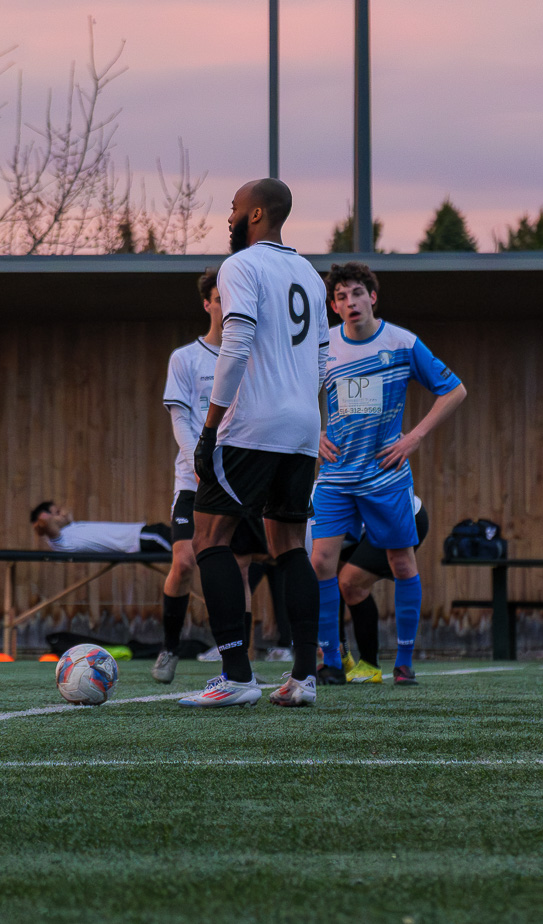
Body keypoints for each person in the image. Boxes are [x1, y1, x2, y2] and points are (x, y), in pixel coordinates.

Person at [180, 178, 327, 709]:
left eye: (235, 207)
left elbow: (237, 342)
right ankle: (304, 679)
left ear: (257, 213)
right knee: (289, 546)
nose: (229, 216)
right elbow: (322, 360)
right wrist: (304, 416)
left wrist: (212, 426)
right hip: (302, 427)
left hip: (253, 425)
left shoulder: (239, 266)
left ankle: (237, 675)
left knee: (210, 537)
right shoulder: (309, 273)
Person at [308, 262, 465, 687]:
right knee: (321, 560)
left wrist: (413, 438)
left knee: (401, 561)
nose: (350, 302)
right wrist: (314, 432)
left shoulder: (402, 343)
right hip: (337, 477)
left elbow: (455, 390)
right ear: (334, 306)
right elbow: (299, 394)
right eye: (340, 297)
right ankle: (329, 662)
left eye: (357, 293)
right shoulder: (323, 347)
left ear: (372, 297)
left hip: (385, 476)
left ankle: (405, 662)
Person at [156, 267, 280, 683]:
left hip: (240, 482)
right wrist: (199, 459)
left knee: (240, 568)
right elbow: (179, 417)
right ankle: (170, 647)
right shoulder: (185, 358)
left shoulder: (250, 356)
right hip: (196, 480)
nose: (228, 305)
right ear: (208, 303)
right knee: (185, 559)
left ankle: (239, 663)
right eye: (220, 298)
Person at [326, 492, 431, 684]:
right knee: (331, 576)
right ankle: (340, 658)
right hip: (366, 523)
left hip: (401, 514)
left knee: (350, 582)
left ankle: (371, 664)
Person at [30, 501, 173, 554]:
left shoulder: (70, 528)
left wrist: (64, 517)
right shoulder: (59, 540)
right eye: (57, 512)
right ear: (45, 517)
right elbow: (45, 526)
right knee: (184, 548)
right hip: (137, 539)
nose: (62, 513)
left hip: (143, 534)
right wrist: (49, 519)